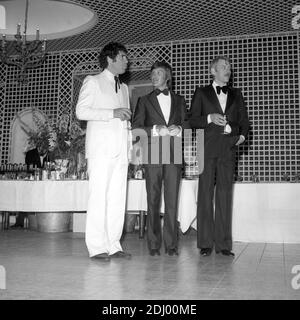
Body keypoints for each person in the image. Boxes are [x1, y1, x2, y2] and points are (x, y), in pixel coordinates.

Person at [76, 42, 132, 261]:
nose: (127, 61)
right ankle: (97, 247)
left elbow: (125, 120)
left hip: (120, 151)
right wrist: (112, 113)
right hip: (100, 150)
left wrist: (128, 149)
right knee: (98, 197)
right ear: (110, 59)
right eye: (123, 57)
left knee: (118, 198)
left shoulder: (125, 88)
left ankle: (114, 245)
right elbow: (81, 111)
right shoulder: (93, 81)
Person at [189, 56, 249, 257]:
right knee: (205, 194)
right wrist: (209, 118)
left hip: (228, 148)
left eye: (229, 67)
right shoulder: (201, 92)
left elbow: (244, 120)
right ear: (212, 70)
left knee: (224, 195)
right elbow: (191, 120)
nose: (228, 70)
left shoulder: (236, 93)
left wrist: (241, 136)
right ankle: (205, 242)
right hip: (205, 148)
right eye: (224, 67)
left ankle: (224, 245)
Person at [132, 61, 187, 256]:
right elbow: (136, 129)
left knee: (172, 201)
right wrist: (156, 130)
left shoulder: (180, 100)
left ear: (168, 76)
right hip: (152, 154)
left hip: (174, 154)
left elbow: (187, 125)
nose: (154, 76)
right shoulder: (144, 100)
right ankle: (154, 245)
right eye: (152, 73)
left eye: (159, 73)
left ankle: (171, 245)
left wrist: (179, 129)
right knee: (153, 200)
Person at [11, 145, 51, 228]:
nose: (44, 148)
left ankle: (44, 222)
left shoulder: (49, 154)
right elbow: (28, 167)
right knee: (25, 199)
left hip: (45, 182)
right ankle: (20, 222)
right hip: (32, 181)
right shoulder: (30, 153)